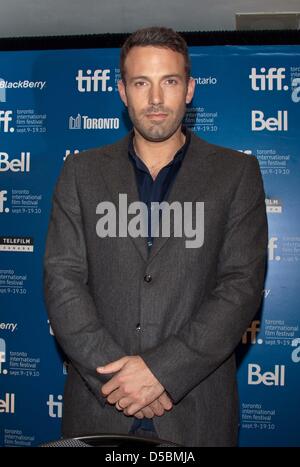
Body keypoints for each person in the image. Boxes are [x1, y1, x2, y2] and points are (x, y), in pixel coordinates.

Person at [44, 26, 268, 447]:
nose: (156, 99)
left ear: (189, 90)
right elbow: (62, 281)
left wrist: (161, 372)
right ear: (122, 92)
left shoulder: (235, 174)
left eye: (170, 81)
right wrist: (120, 380)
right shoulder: (81, 173)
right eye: (141, 83)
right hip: (99, 409)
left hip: (196, 413)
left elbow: (241, 287)